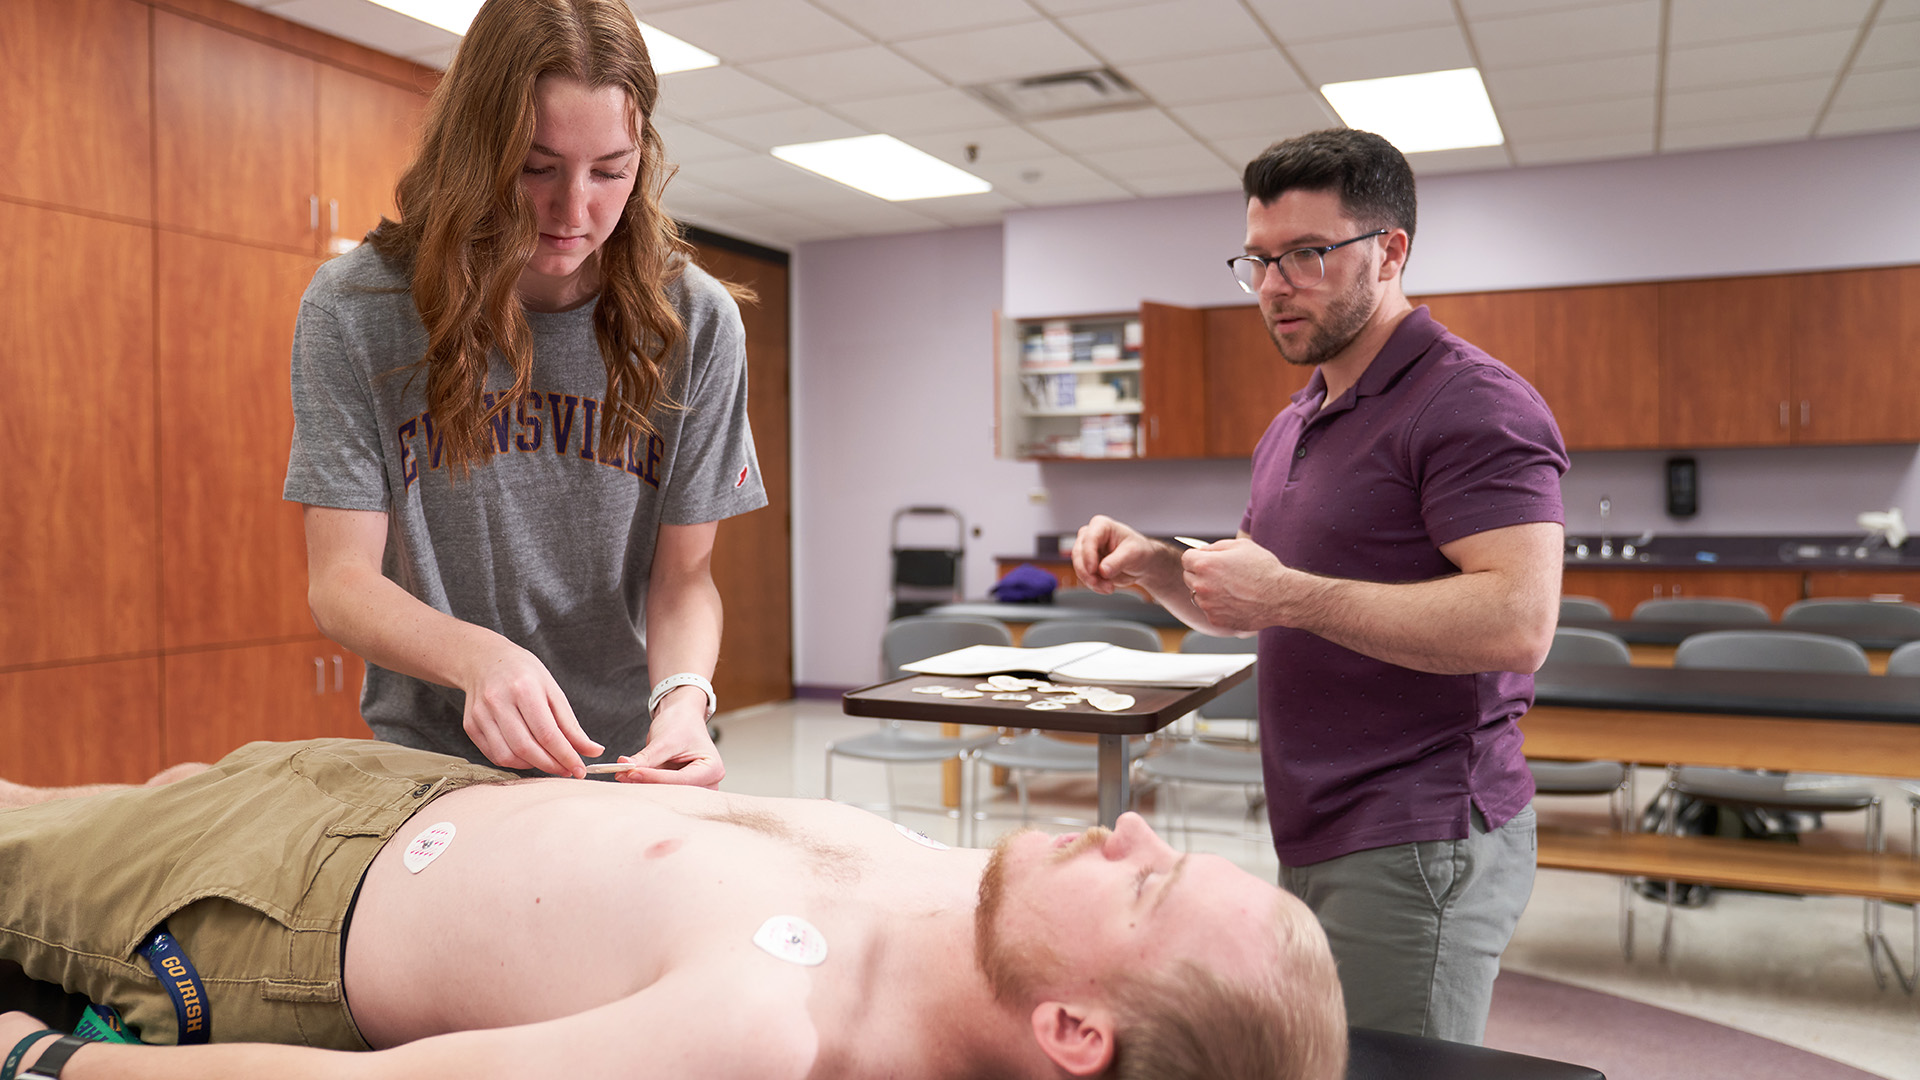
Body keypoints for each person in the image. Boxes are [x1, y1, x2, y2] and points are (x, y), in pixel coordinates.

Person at [0, 739, 1347, 1079]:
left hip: (271, 899)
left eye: (1151, 884)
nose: (1128, 830)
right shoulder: (978, 907)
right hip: (402, 785)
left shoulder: (770, 1036)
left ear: (1071, 1031)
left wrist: (48, 1065)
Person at [1072, 129, 1568, 1043]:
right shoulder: (1302, 415)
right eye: (1258, 260)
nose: (1273, 285)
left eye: (1306, 254)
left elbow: (1518, 620)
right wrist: (1153, 563)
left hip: (1420, 832)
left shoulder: (1470, 403)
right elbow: (1252, 596)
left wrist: (1287, 596)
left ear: (1391, 251)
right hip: (1317, 820)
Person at [283, 0, 765, 786]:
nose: (575, 211)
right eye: (536, 167)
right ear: (474, 149)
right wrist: (477, 658)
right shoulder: (358, 307)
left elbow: (683, 578)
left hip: (624, 761)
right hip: (431, 767)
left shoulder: (694, 321)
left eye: (611, 170)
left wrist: (682, 702)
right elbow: (341, 584)